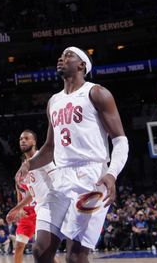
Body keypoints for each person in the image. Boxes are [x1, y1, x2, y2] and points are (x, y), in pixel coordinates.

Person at [15, 47, 129, 263]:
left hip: (92, 176)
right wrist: (28, 165)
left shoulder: (96, 92)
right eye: (61, 55)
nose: (61, 58)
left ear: (82, 65)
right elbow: (49, 149)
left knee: (75, 256)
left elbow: (120, 140)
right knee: (41, 251)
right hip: (61, 176)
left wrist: (112, 173)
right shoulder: (54, 101)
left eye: (68, 55)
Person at [6, 130, 59, 263]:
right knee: (36, 250)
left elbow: (58, 180)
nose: (22, 141)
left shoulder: (43, 158)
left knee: (43, 250)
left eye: (26, 138)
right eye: (20, 139)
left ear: (34, 141)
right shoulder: (25, 167)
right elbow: (30, 193)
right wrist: (17, 208)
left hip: (49, 208)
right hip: (36, 209)